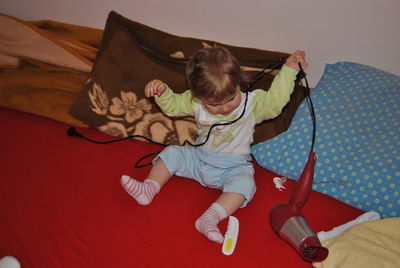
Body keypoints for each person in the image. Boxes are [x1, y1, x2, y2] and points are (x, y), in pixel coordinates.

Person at [121, 46, 308, 243]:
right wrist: (162, 91)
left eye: (231, 98)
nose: (225, 108)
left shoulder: (252, 104)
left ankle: (210, 218)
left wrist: (289, 70)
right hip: (198, 159)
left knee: (245, 184)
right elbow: (173, 106)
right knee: (172, 152)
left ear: (238, 84)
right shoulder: (194, 102)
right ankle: (148, 188)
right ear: (198, 96)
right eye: (215, 105)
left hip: (232, 167)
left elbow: (275, 102)